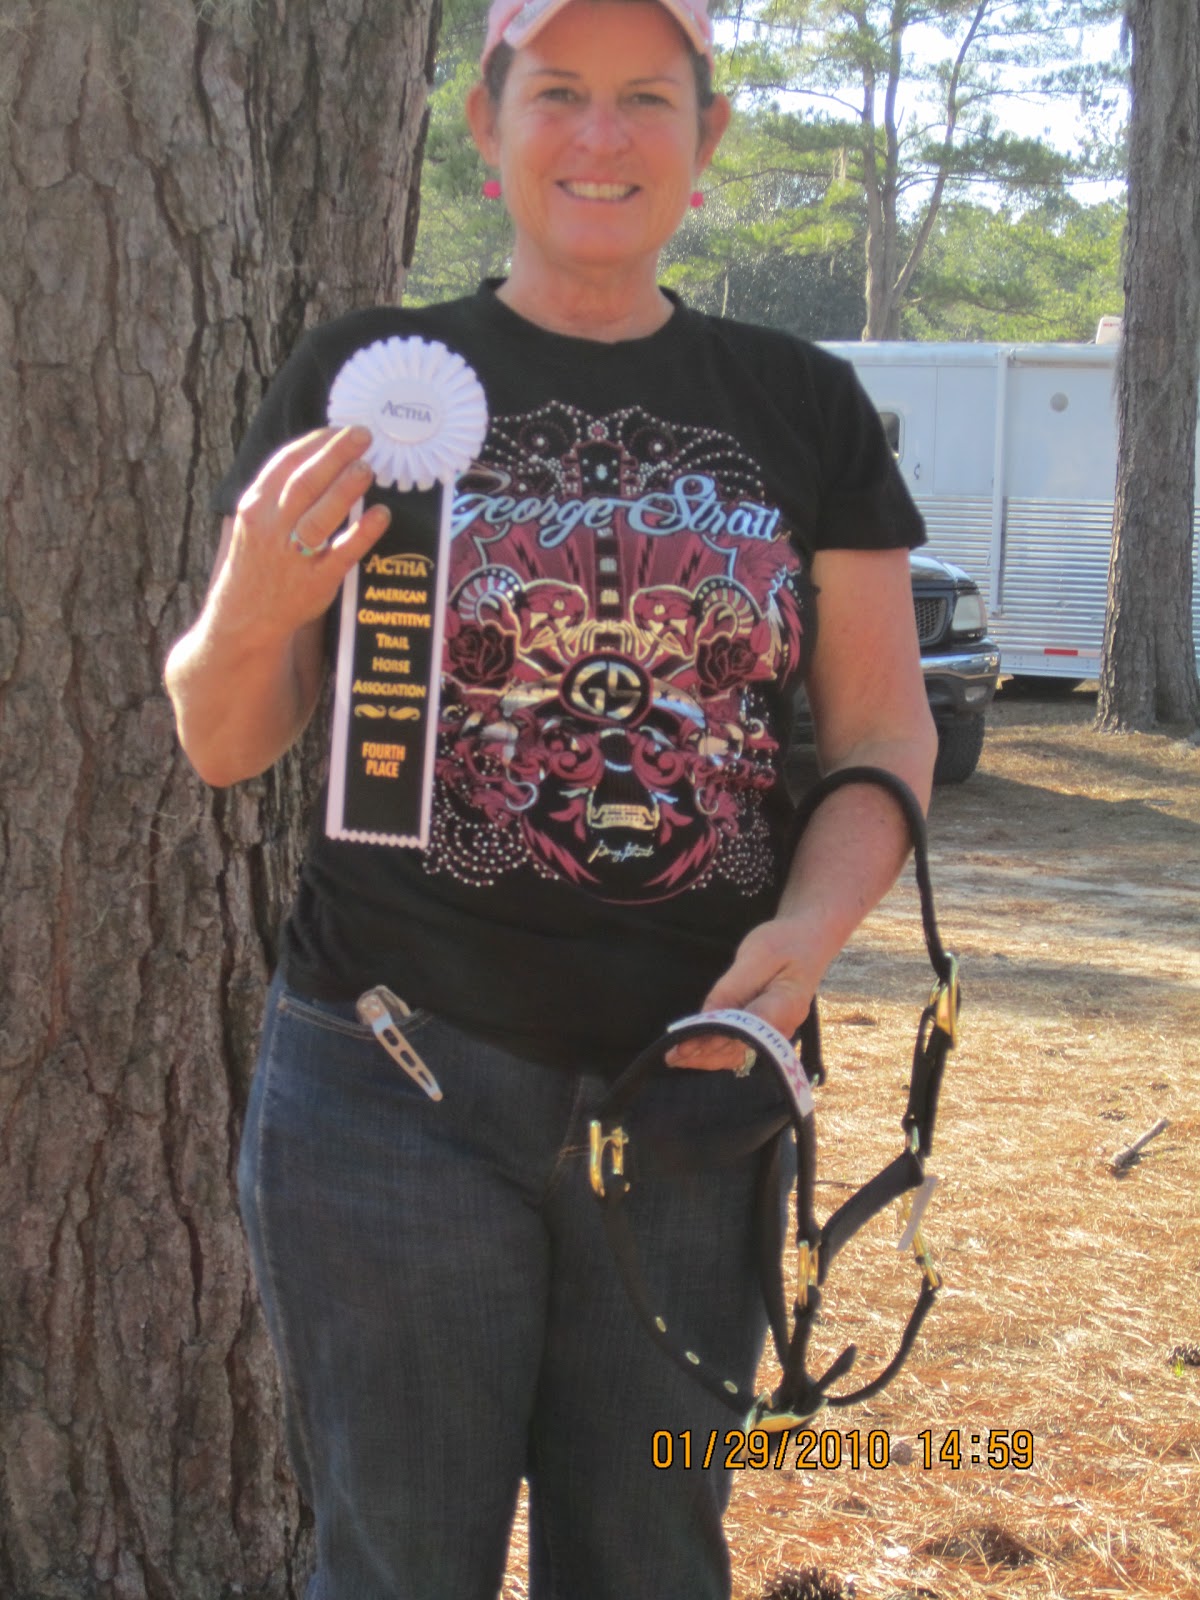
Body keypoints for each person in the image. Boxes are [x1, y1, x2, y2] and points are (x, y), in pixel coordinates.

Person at [165, 0, 936, 1593]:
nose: (600, 137)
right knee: (397, 1565)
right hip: (390, 1087)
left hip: (693, 1098)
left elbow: (882, 735)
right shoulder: (367, 382)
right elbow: (224, 741)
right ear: (488, 124)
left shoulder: (801, 402)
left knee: (650, 1560)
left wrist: (808, 937)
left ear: (708, 136)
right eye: (559, 92)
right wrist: (249, 602)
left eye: (647, 96)